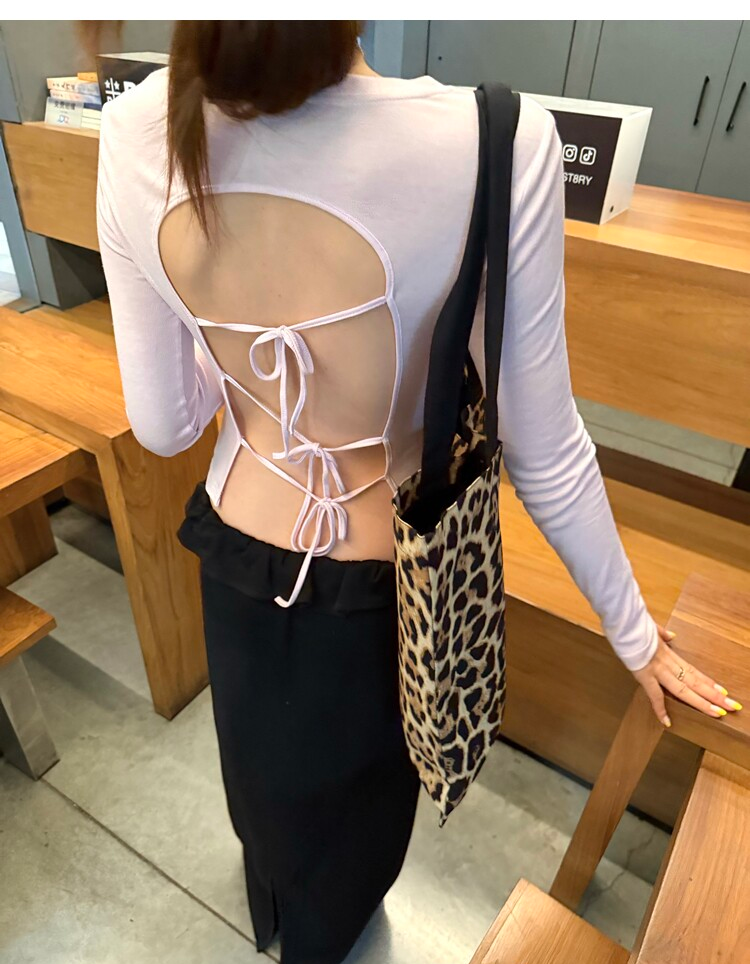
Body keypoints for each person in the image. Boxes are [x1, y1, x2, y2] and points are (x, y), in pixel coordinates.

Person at [95, 20, 742, 964]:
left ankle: (275, 918)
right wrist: (635, 634)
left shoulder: (133, 128)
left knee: (261, 787)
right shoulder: (495, 139)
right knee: (357, 826)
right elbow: (543, 443)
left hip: (236, 553)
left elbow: (164, 425)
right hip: (390, 586)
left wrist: (226, 333)